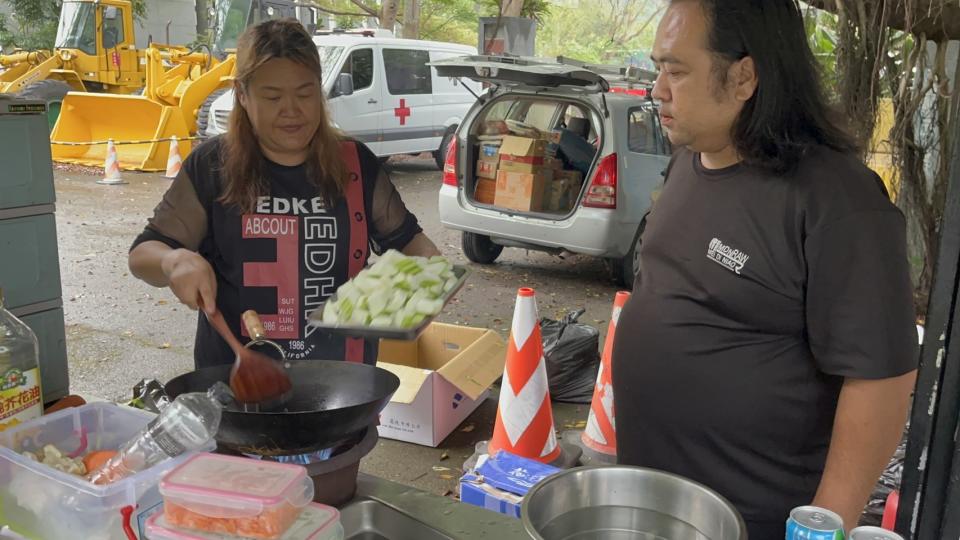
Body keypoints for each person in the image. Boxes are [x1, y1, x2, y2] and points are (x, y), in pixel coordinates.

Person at [611, 1, 918, 537]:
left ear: (744, 76)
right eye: (657, 67)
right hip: (651, 500)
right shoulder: (688, 162)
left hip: (753, 521)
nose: (657, 89)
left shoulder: (837, 202)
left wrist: (824, 526)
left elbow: (881, 379)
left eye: (676, 70)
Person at [129, 19, 440, 368]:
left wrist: (417, 291)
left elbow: (417, 248)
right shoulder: (212, 165)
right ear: (242, 95)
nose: (292, 110)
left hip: (342, 385)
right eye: (273, 96)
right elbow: (143, 255)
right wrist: (172, 261)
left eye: (305, 93)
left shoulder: (354, 164)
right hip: (236, 384)